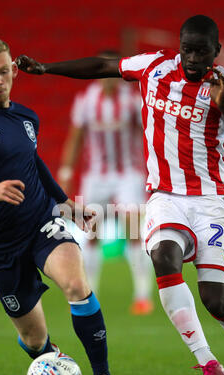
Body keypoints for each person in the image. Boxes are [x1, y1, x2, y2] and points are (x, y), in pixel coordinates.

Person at [16, 14, 224, 375]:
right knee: (162, 255)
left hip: (212, 201)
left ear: (216, 51)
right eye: (188, 49)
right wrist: (46, 69)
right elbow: (103, 66)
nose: (193, 58)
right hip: (165, 197)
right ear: (180, 46)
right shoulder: (156, 67)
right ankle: (207, 361)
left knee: (215, 299)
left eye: (202, 51)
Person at [0, 38, 126, 375]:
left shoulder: (27, 117)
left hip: (41, 221)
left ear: (14, 71)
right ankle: (54, 360)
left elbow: (35, 165)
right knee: (34, 340)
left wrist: (66, 202)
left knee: (77, 285)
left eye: (3, 71)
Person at [58, 50, 154, 315]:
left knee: (134, 231)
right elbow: (75, 137)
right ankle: (92, 294)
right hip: (96, 176)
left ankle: (143, 295)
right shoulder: (86, 100)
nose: (109, 79)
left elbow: (147, 133)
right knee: (91, 233)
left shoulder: (132, 99)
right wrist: (65, 172)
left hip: (128, 174)